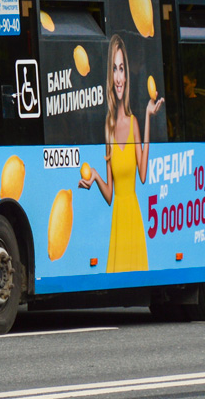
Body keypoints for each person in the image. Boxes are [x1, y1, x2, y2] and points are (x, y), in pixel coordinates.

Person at [78, 34, 165, 272]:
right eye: (114, 69)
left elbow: (144, 174)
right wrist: (95, 176)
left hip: (133, 220)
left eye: (122, 69)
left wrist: (147, 117)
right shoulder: (107, 128)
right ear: (110, 76)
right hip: (118, 221)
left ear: (127, 76)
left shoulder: (135, 122)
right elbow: (109, 195)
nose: (119, 77)